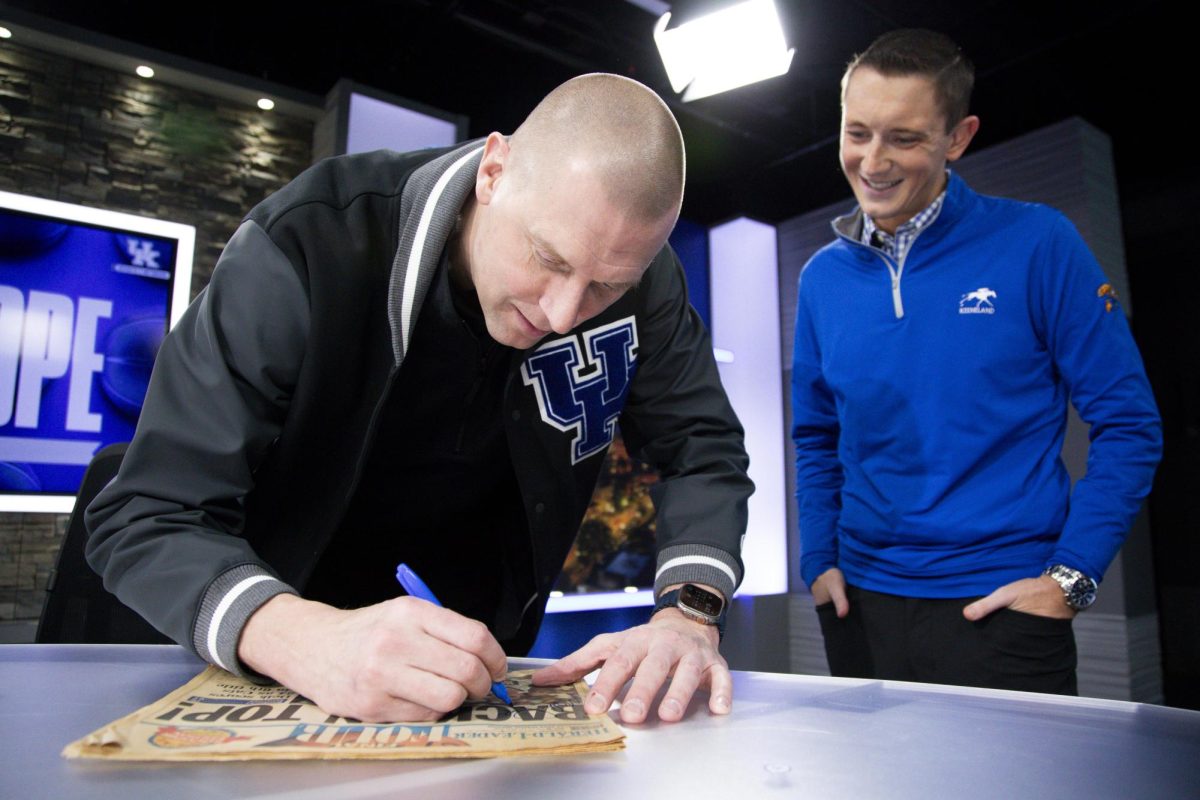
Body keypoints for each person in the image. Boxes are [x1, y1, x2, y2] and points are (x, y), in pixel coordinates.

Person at [86, 73, 752, 724]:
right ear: (494, 171)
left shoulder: (645, 282)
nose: (562, 313)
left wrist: (690, 613)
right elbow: (146, 513)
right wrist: (302, 639)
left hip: (473, 679)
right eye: (547, 259)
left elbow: (702, 446)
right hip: (273, 659)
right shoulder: (309, 245)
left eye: (606, 288)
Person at [791, 29, 1160, 693]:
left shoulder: (1040, 242)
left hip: (1003, 610)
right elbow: (817, 437)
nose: (872, 162)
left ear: (957, 138)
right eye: (857, 133)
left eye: (903, 138)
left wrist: (1071, 579)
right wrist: (818, 560)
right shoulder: (822, 278)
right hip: (860, 606)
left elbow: (1130, 422)